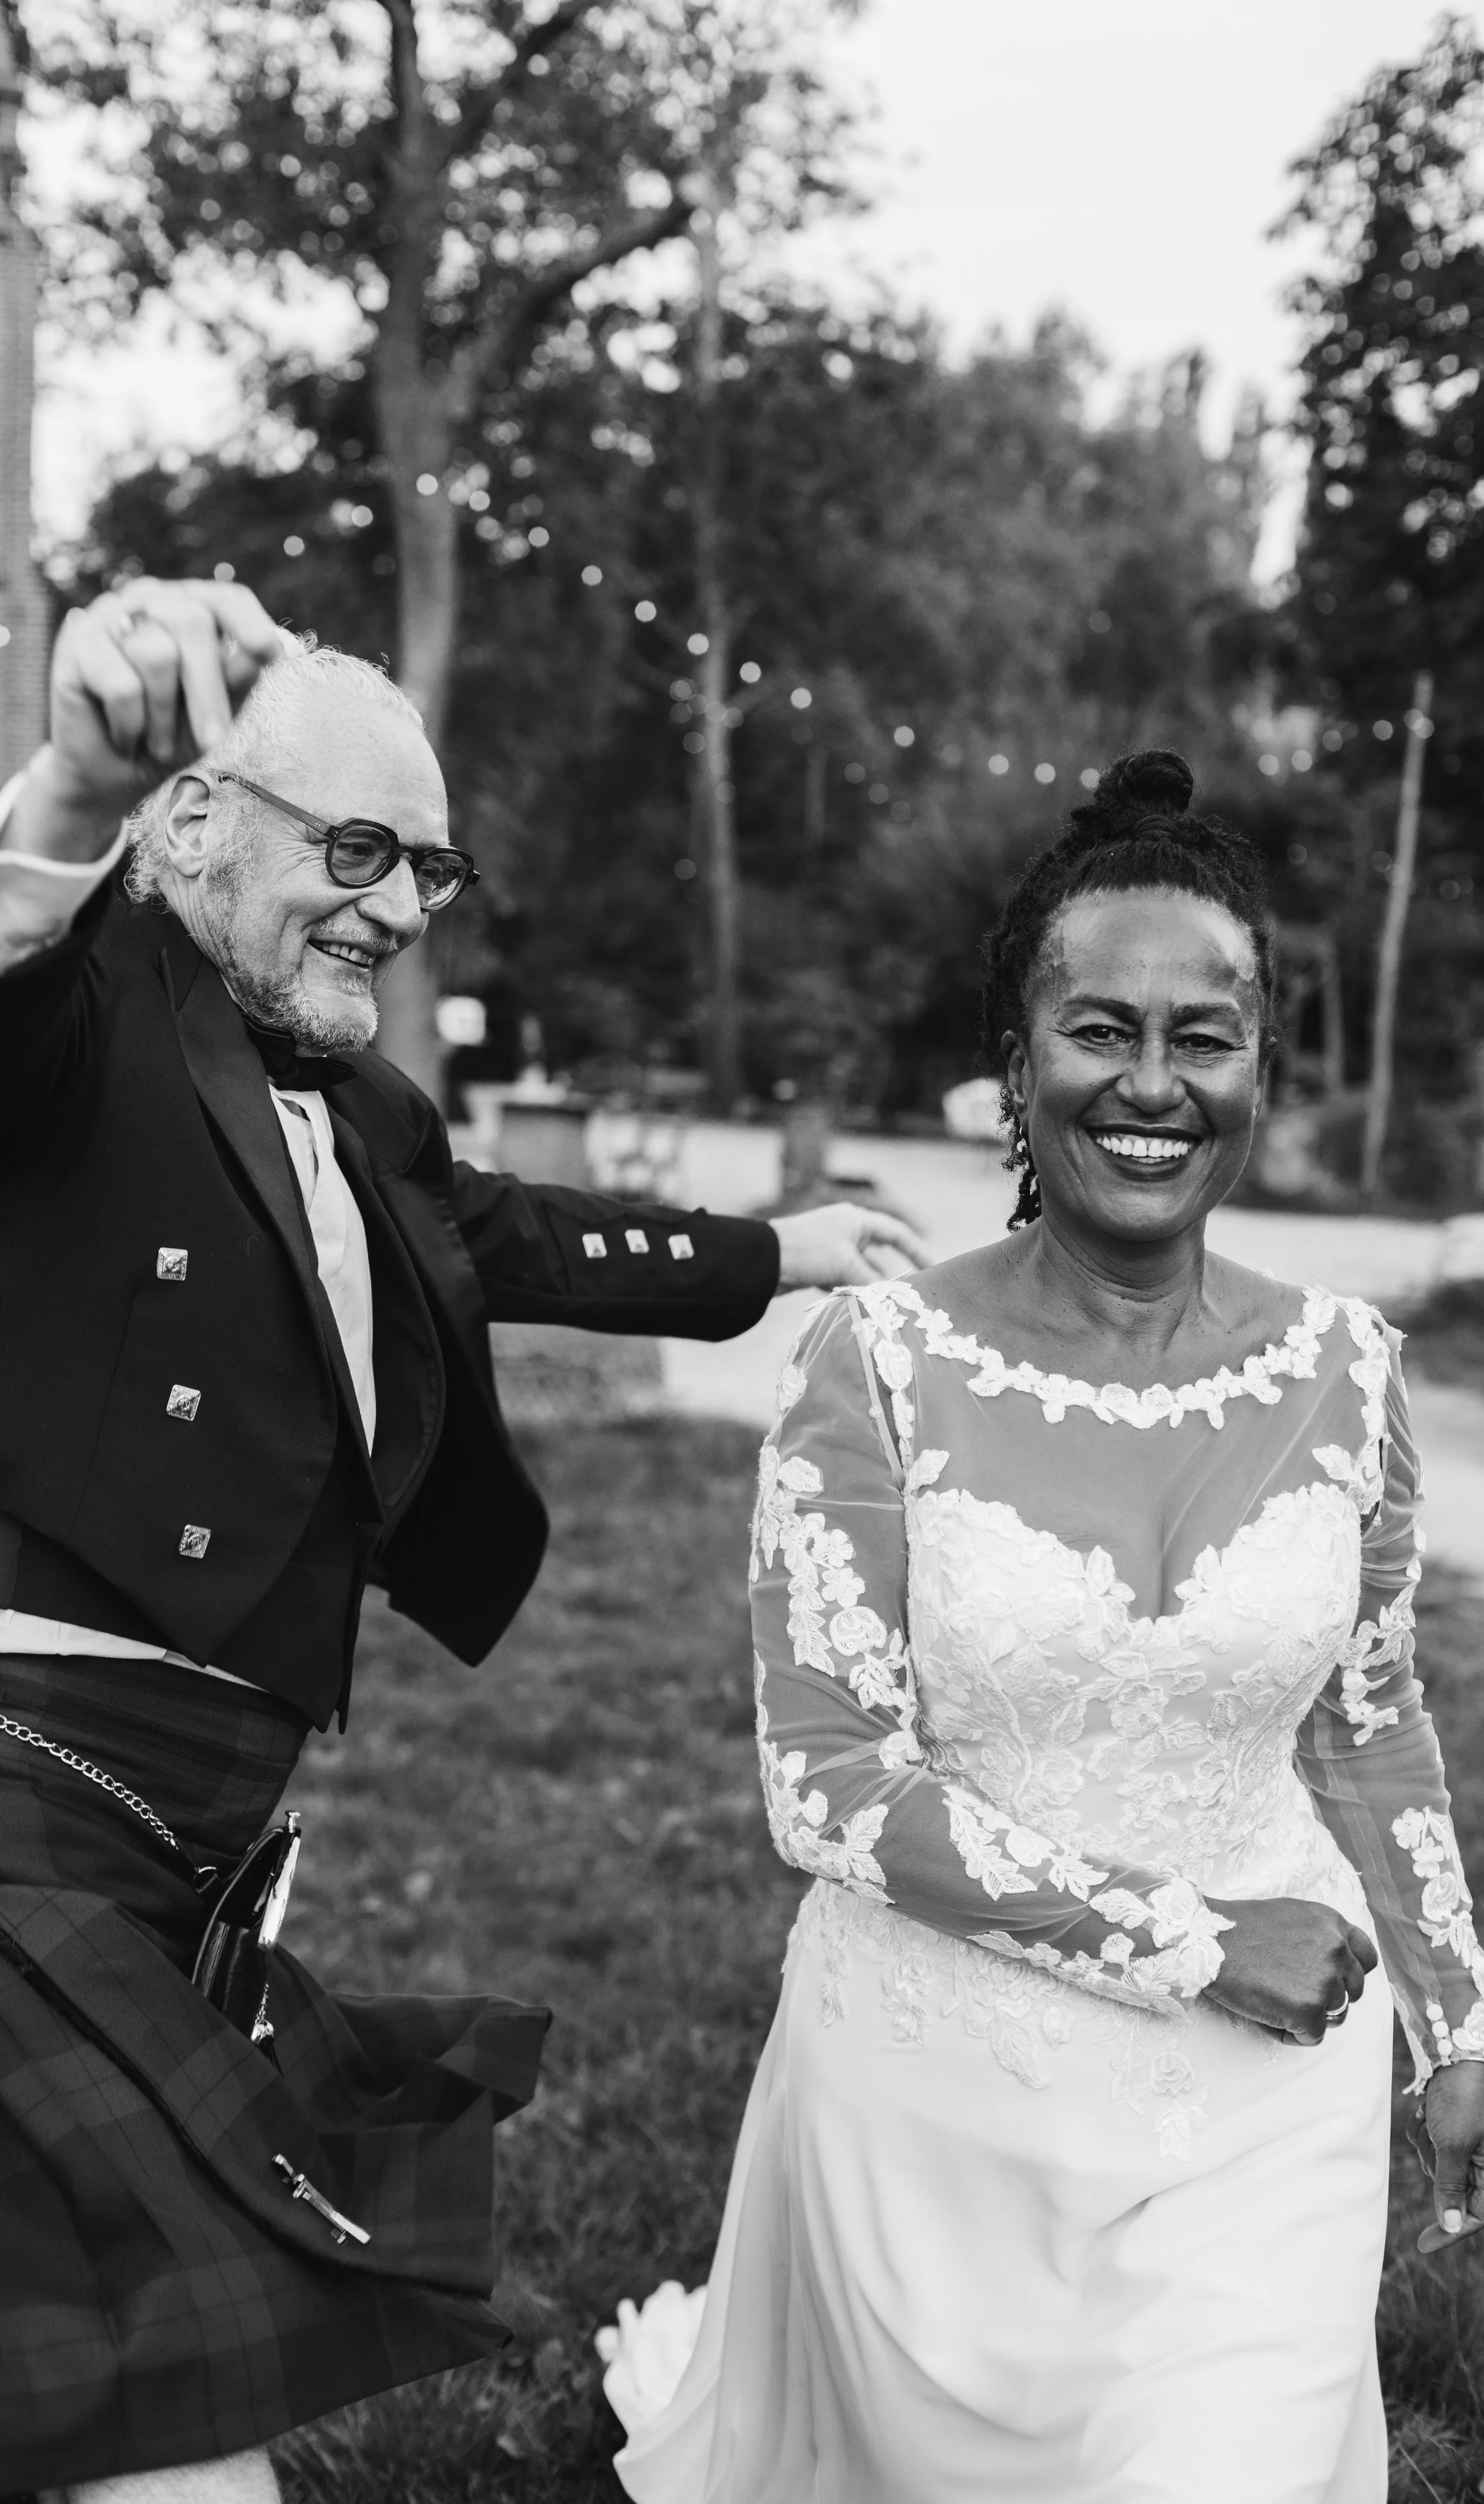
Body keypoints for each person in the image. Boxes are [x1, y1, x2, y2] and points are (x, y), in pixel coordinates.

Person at [0, 576, 925, 2504]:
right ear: (190, 822)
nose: (402, 905)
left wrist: (783, 1250)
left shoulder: (360, 1112)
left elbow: (517, 1232)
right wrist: (67, 784)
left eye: (429, 866)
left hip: (179, 1839)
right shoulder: (71, 1012)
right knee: (160, 2419)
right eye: (354, 849)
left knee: (50, 2400)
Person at [602, 750, 1484, 2504]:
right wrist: (1188, 1941)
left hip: (1269, 2089)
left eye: (1203, 1036)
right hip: (936, 2103)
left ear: (1257, 1067)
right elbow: (829, 1787)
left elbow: (1367, 1718)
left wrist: (1455, 2025)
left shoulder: (1347, 1372)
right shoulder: (876, 1367)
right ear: (1018, 1064)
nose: (1150, 1084)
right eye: (1098, 1030)